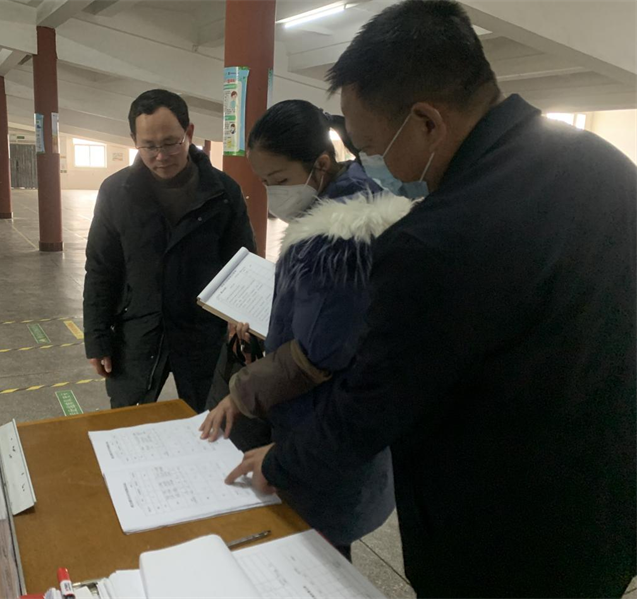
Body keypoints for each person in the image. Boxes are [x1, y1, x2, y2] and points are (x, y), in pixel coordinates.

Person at [226, 1, 637, 598]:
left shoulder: (436, 238)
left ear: (426, 122)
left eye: (371, 146)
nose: (372, 164)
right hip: (605, 516)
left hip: (496, 541)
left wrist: (279, 462)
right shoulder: (607, 167)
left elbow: (373, 402)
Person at [200, 100, 411, 558]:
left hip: (325, 435)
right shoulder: (351, 202)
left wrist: (240, 392)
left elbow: (314, 355)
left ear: (320, 165)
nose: (272, 194)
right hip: (338, 431)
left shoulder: (338, 240)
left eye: (278, 181)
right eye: (264, 182)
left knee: (317, 557)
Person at [83, 90, 255, 412]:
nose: (160, 156)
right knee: (127, 422)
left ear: (189, 133)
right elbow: (101, 269)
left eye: (170, 143)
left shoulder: (223, 192)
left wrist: (245, 329)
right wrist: (96, 337)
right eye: (149, 146)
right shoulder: (116, 192)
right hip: (137, 331)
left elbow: (243, 267)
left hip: (203, 334)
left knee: (208, 421)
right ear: (134, 140)